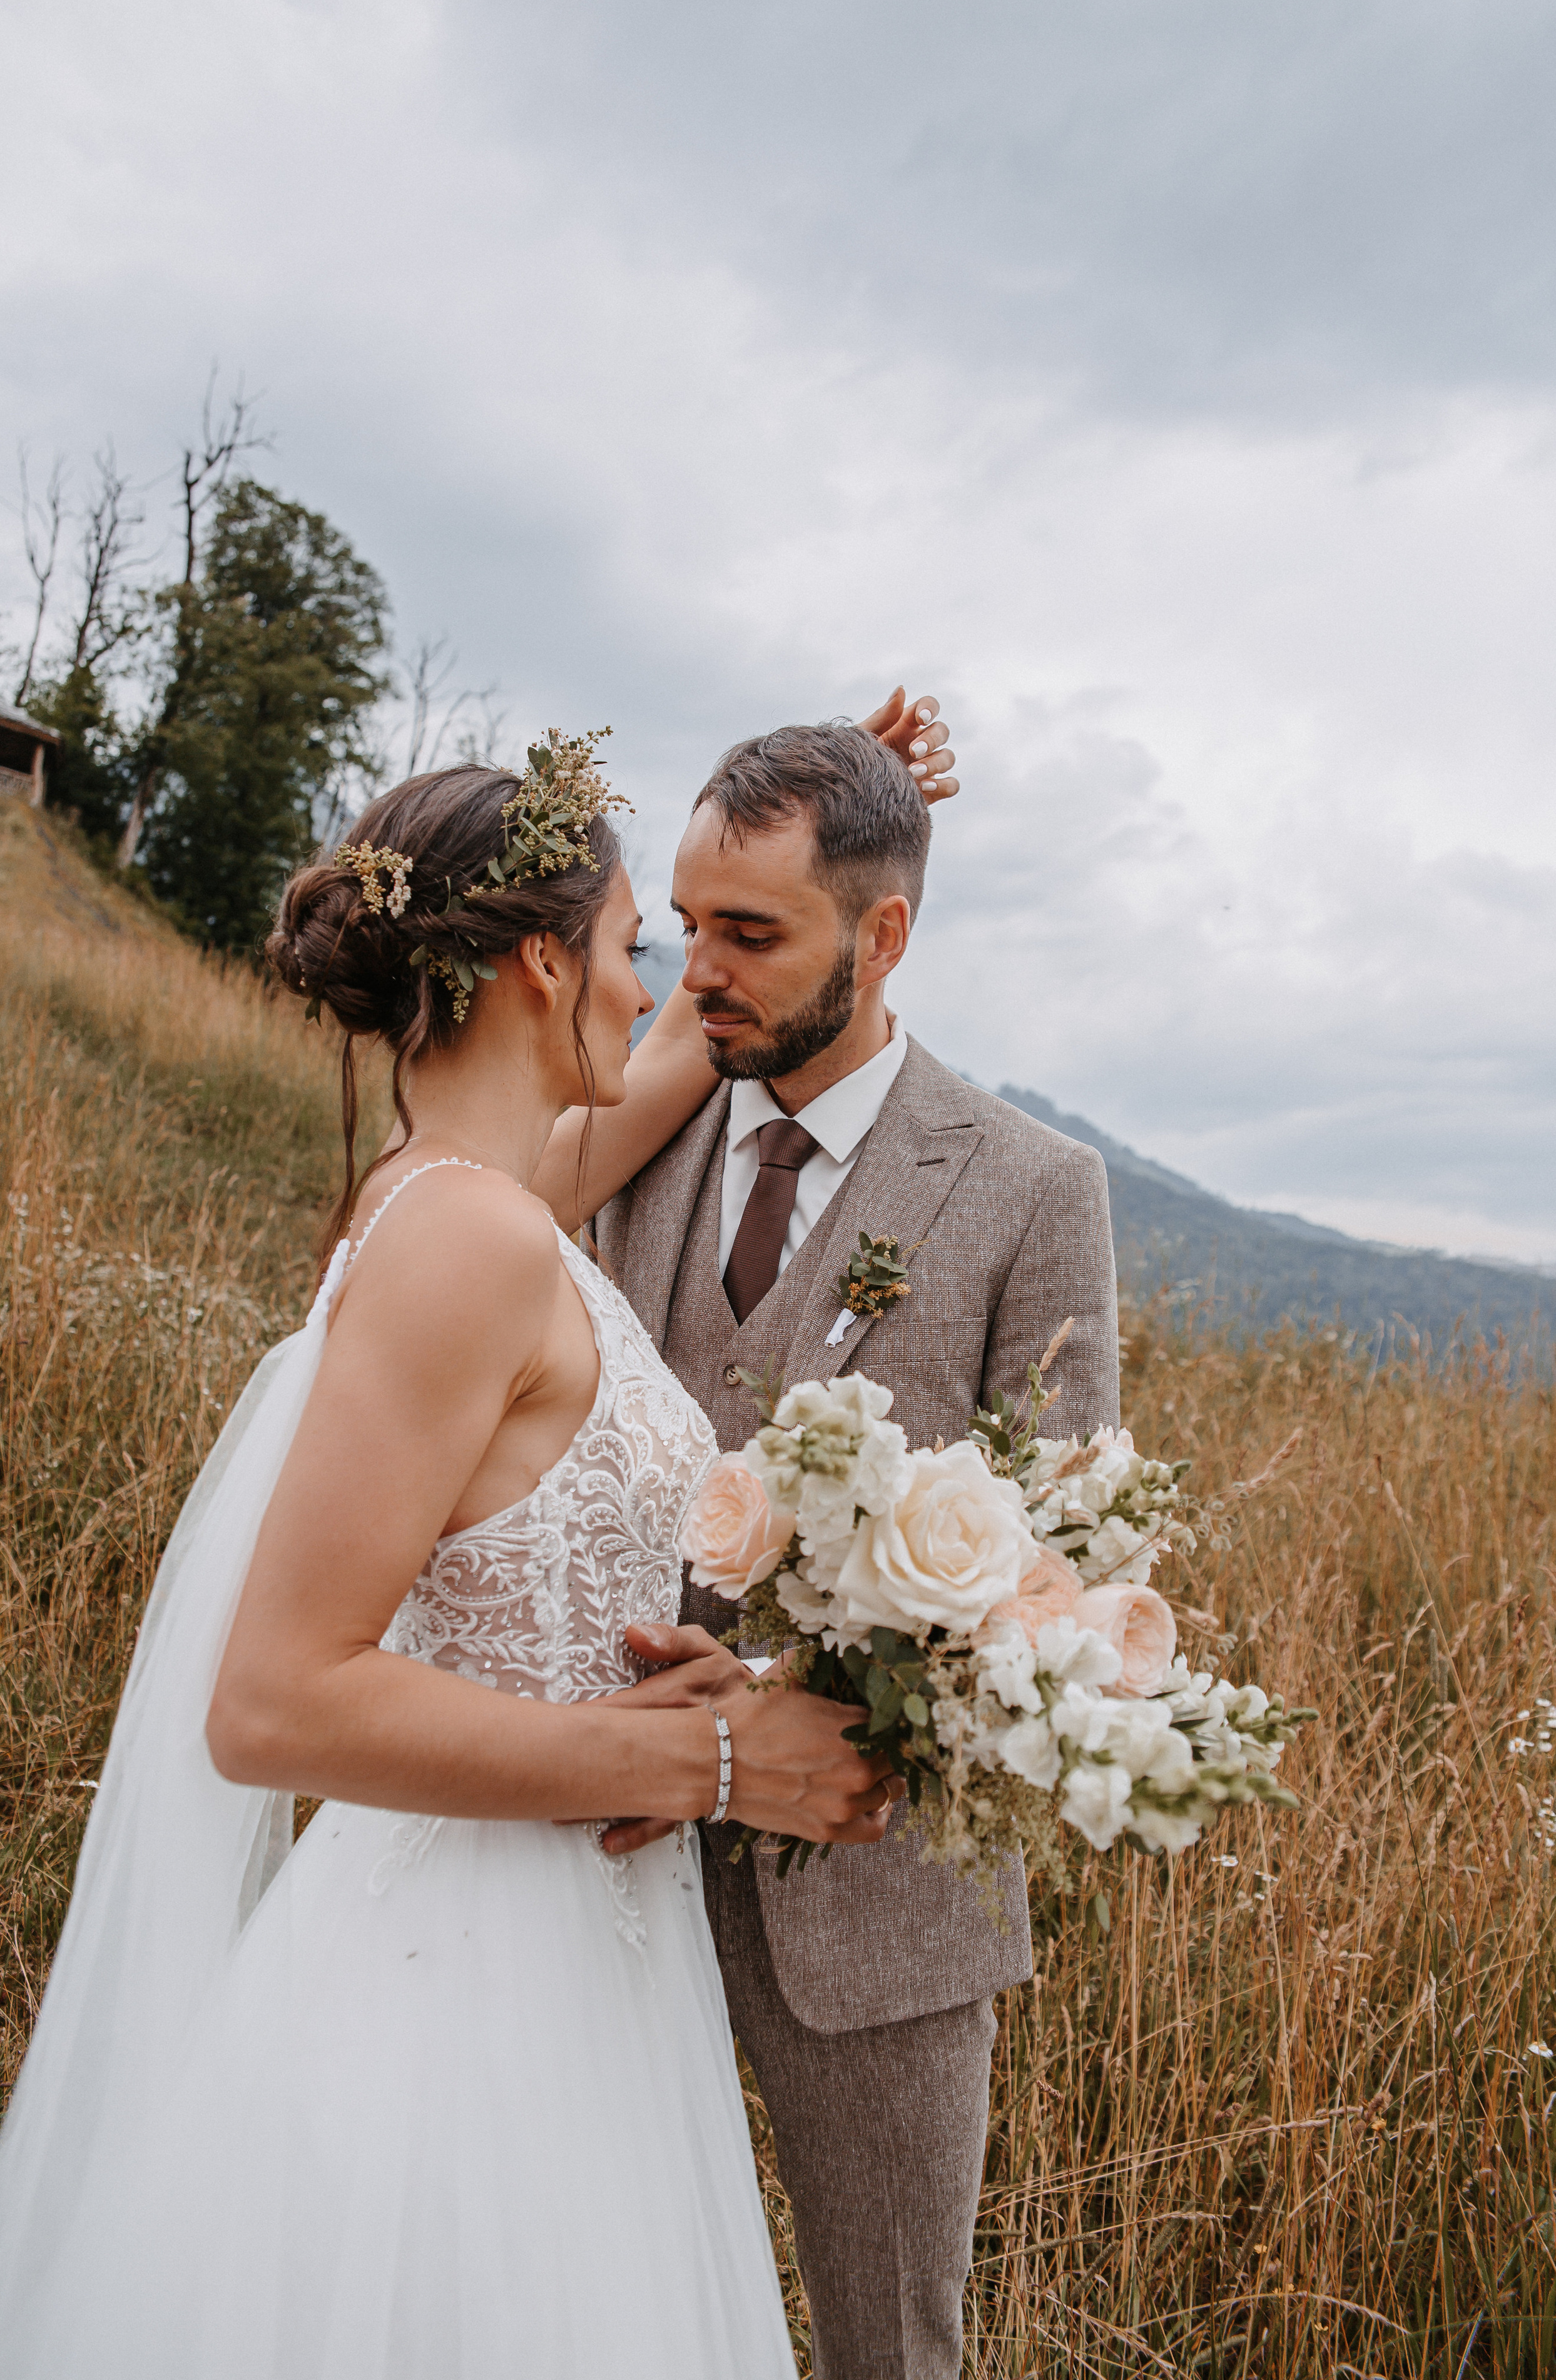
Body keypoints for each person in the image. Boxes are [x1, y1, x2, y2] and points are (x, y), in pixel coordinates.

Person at [0, 717, 950, 2380]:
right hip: (459, 2000)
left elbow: (666, 1073)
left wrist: (843, 854)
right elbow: (270, 1705)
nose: (660, 988)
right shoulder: (470, 1241)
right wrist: (711, 1757)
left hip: (568, 1956)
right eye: (638, 945)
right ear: (543, 970)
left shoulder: (462, 1201)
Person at [591, 721, 1121, 2380]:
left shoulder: (1037, 1188)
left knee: (890, 2350)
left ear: (883, 939)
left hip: (880, 1908)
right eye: (687, 928)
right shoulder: (637, 1126)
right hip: (593, 1862)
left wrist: (778, 1694)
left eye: (754, 936)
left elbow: (1062, 1565)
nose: (703, 972)